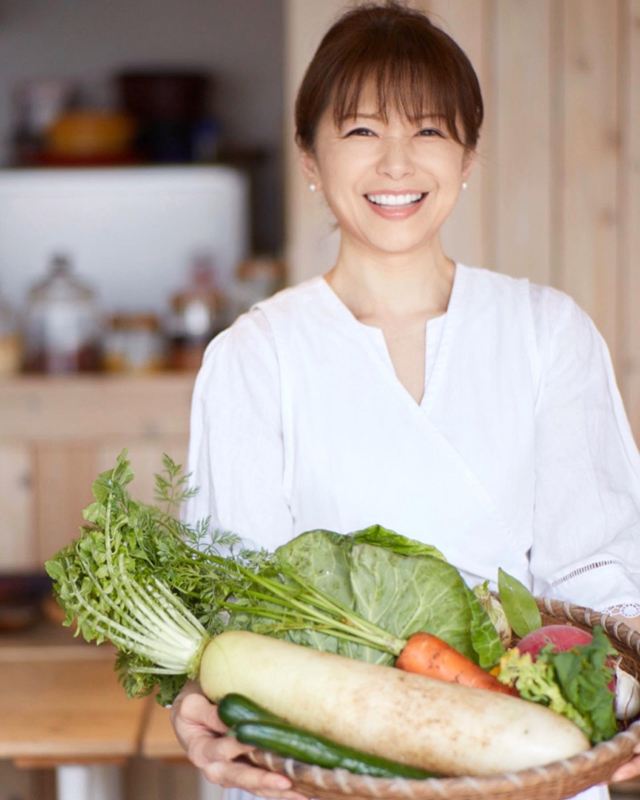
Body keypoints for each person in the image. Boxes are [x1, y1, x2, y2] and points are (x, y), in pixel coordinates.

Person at [170, 2, 640, 799]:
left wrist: (623, 694)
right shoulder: (255, 358)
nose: (396, 163)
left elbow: (602, 575)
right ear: (310, 158)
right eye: (360, 131)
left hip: (528, 755)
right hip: (333, 766)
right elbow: (234, 609)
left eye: (428, 130)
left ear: (468, 156)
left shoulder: (546, 333)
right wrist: (196, 701)